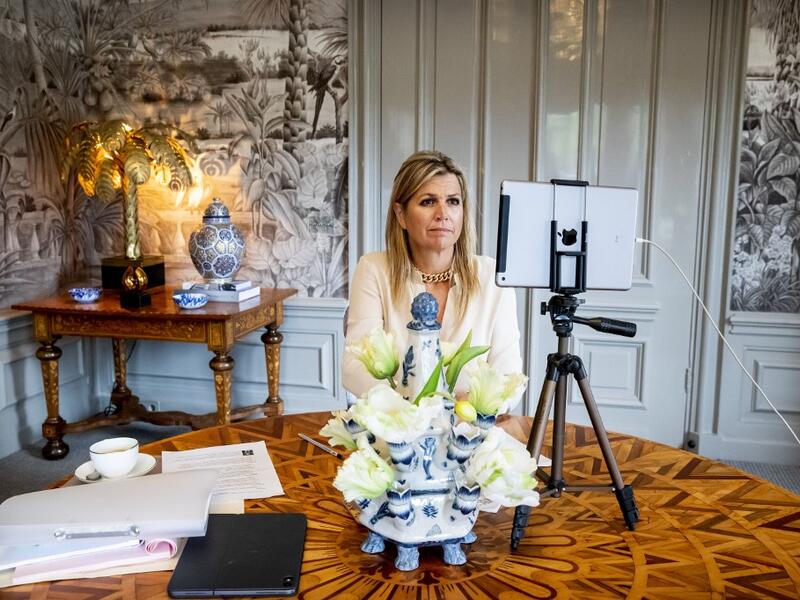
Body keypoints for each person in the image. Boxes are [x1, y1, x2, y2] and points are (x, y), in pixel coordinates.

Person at [343, 150, 522, 398]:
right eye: (428, 201)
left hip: (469, 429)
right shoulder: (373, 269)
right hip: (396, 428)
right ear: (401, 215)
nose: (443, 213)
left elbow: (508, 378)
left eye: (453, 201)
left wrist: (456, 415)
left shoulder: (492, 277)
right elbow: (354, 368)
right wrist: (410, 417)